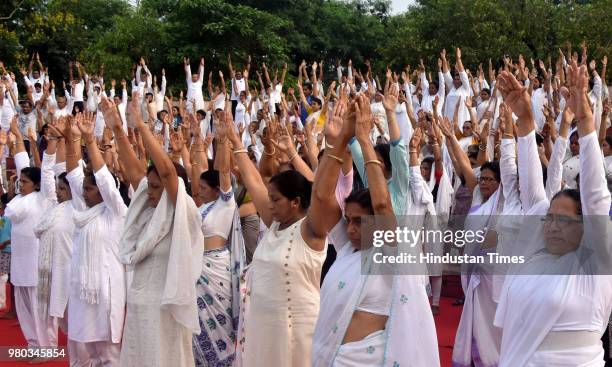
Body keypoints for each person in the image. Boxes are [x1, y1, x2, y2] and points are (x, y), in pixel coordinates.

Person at [494, 62, 612, 366]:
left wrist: (585, 119)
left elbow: (596, 197)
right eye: (550, 219)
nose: (553, 227)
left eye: (565, 220)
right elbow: (532, 189)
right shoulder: (533, 257)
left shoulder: (594, 262)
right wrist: (525, 121)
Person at [312, 94, 440, 366]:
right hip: (331, 357)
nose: (352, 229)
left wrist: (365, 138)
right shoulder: (348, 249)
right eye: (349, 220)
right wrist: (340, 139)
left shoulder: (390, 252)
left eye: (360, 221)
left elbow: (382, 203)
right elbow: (322, 198)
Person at [95, 93, 203, 366]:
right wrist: (118, 130)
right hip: (140, 306)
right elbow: (136, 174)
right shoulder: (147, 212)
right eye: (150, 187)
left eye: (157, 188)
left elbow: (167, 173)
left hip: (165, 310)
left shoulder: (184, 209)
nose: (150, 191)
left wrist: (141, 126)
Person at [225, 104, 333, 367]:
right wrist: (235, 140)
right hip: (263, 328)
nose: (269, 204)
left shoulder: (312, 229)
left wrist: (333, 145)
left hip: (298, 330)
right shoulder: (274, 224)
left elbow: (320, 192)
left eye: (275, 199)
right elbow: (252, 179)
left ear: (295, 202)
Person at [63, 111, 127, 366]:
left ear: (101, 190)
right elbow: (73, 174)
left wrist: (91, 141)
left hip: (106, 295)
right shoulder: (83, 212)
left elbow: (103, 179)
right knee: (82, 353)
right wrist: (72, 139)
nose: (84, 193)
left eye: (90, 189)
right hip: (82, 295)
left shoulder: (116, 211)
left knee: (110, 356)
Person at [190, 108, 245, 366]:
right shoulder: (199, 209)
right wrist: (195, 145)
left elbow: (224, 172)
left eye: (203, 188)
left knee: (221, 328)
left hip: (217, 271)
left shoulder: (226, 203)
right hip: (196, 270)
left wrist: (223, 141)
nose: (199, 192)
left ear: (216, 189)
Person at [5, 117, 58, 350]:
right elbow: (20, 164)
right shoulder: (19, 199)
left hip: (38, 264)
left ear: (36, 185)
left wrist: (51, 143)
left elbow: (45, 170)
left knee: (40, 308)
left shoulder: (43, 198)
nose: (21, 184)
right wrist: (16, 135)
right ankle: (34, 344)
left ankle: (48, 345)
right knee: (25, 307)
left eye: (25, 182)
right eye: (21, 181)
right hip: (20, 263)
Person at [33, 118, 81, 363]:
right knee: (49, 313)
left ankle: (82, 356)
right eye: (58, 188)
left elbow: (72, 172)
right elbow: (48, 173)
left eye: (63, 188)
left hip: (71, 270)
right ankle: (47, 349)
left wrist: (71, 141)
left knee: (74, 319)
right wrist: (52, 142)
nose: (59, 191)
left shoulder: (80, 208)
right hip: (48, 269)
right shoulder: (53, 204)